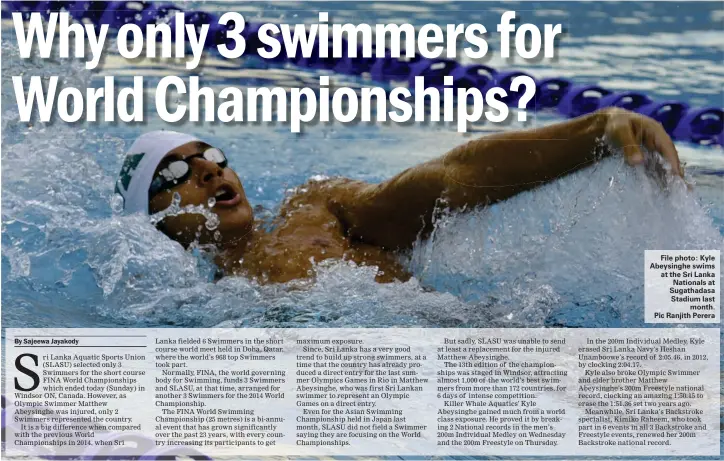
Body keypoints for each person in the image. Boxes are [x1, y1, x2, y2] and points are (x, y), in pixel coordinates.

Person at [115, 107, 684, 284]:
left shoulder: (318, 208)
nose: (209, 173)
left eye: (211, 157)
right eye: (173, 176)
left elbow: (442, 183)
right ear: (153, 223)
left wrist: (587, 134)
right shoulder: (189, 309)